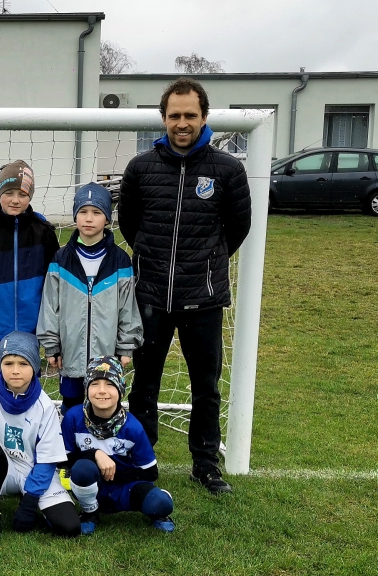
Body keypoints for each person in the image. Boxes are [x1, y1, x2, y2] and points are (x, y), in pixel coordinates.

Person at [117, 77, 251, 494]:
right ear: (163, 118)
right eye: (174, 115)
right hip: (150, 297)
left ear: (204, 117)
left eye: (190, 115)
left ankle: (205, 465)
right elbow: (130, 225)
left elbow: (237, 228)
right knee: (144, 385)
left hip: (203, 299)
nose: (182, 123)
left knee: (205, 388)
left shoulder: (228, 169)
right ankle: (142, 459)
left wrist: (205, 264)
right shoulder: (140, 168)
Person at [0, 332, 80, 541]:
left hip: (34, 470)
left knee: (69, 527)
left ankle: (29, 496)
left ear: (35, 366)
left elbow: (47, 459)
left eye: (23, 363)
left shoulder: (45, 406)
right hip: (1, 471)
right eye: (8, 363)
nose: (15, 370)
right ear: (0, 365)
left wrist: (30, 502)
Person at [37, 182, 142, 412]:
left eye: (96, 212)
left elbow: (128, 308)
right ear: (75, 215)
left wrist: (125, 347)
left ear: (107, 219)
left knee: (104, 406)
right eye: (83, 211)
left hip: (107, 355)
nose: (89, 218)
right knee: (72, 407)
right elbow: (50, 306)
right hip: (70, 355)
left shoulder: (120, 261)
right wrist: (52, 346)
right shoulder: (61, 259)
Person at [0, 160, 59, 385]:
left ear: (30, 196)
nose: (15, 200)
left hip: (30, 331)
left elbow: (55, 287)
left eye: (22, 194)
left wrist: (52, 331)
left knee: (26, 388)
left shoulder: (44, 233)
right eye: (9, 193)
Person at [61, 356, 175, 535]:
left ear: (121, 389)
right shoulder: (73, 418)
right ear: (86, 388)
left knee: (160, 504)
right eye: (94, 384)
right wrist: (94, 454)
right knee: (83, 468)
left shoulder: (132, 427)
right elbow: (63, 458)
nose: (102, 391)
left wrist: (112, 474)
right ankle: (90, 513)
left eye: (110, 384)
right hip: (92, 484)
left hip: (125, 486)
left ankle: (159, 504)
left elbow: (151, 472)